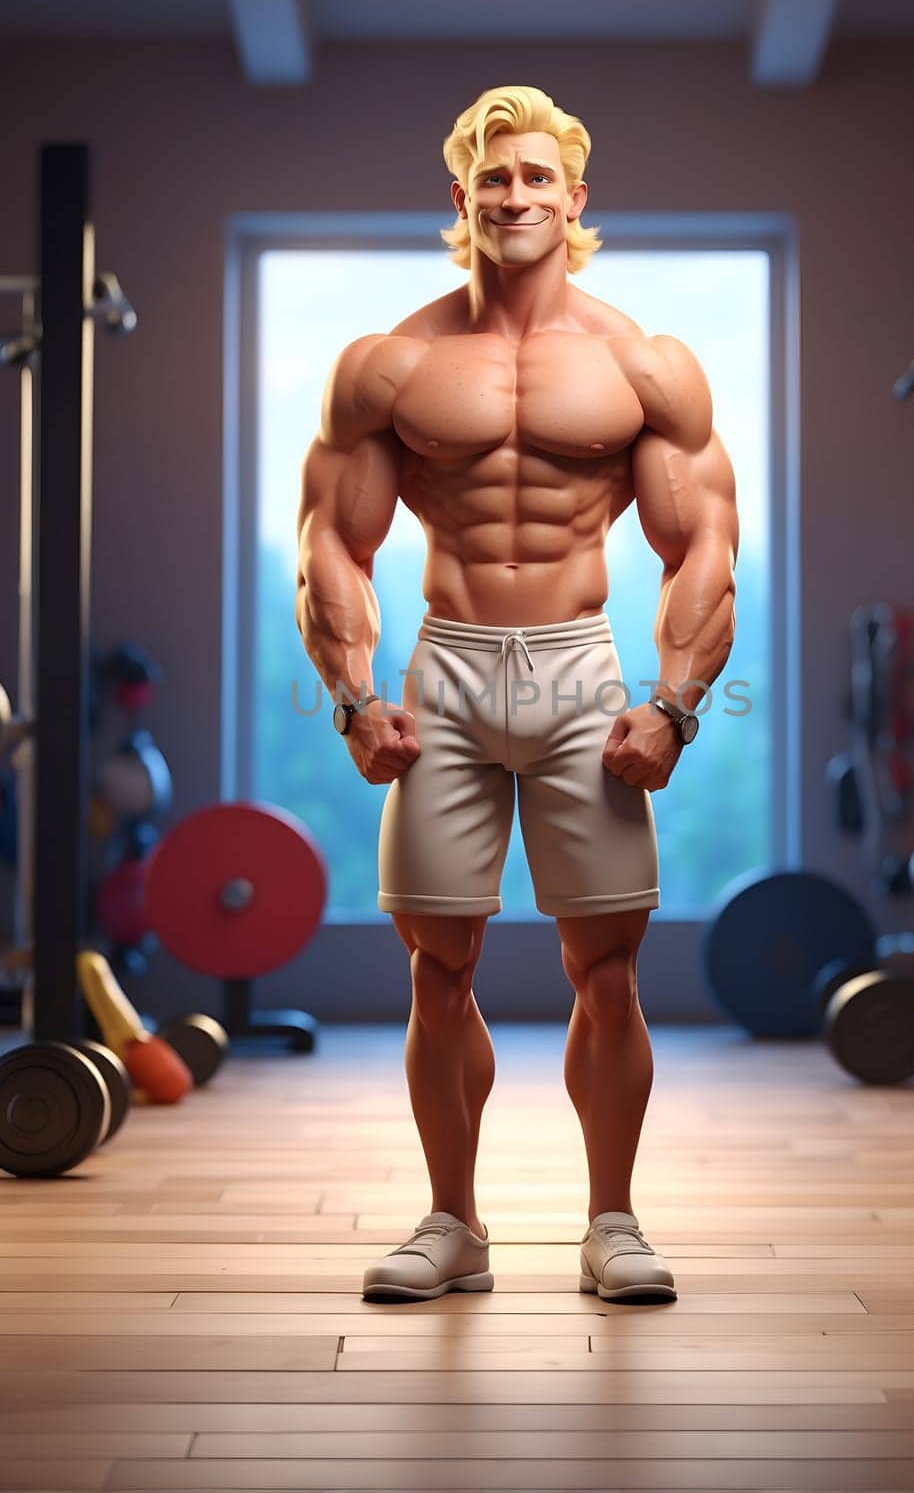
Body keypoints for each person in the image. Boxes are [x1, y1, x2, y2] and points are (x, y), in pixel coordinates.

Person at [295, 85, 739, 1304]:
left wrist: (675, 706)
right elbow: (330, 541)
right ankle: (452, 1222)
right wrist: (351, 695)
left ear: (573, 198)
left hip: (580, 670)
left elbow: (701, 545)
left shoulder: (642, 366)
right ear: (461, 198)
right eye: (493, 177)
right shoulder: (392, 366)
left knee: (608, 966)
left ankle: (612, 1222)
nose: (515, 196)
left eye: (537, 177)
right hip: (442, 670)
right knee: (437, 966)